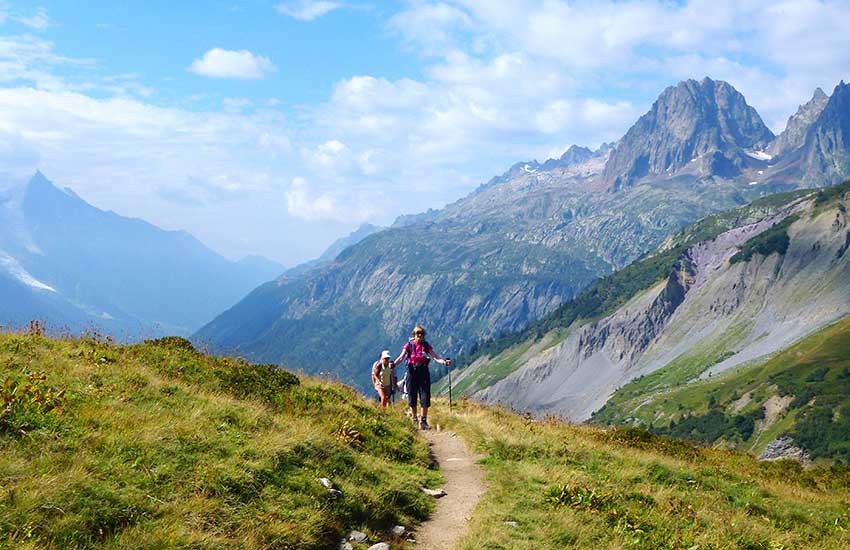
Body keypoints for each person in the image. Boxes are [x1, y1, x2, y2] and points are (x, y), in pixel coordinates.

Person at [394, 325, 452, 430]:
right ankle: (415, 419)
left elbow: (435, 357)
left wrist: (444, 362)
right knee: (412, 395)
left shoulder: (426, 346)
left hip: (423, 372)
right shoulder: (408, 346)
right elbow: (401, 357)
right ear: (414, 335)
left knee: (425, 396)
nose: (419, 336)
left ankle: (423, 421)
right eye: (417, 333)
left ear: (424, 335)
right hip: (412, 372)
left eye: (421, 334)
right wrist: (393, 364)